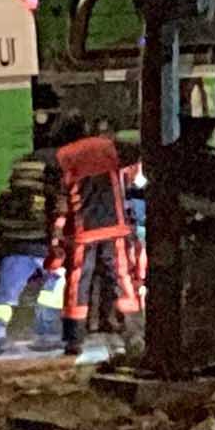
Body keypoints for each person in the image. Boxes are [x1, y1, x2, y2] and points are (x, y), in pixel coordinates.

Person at [0, 120, 82, 355]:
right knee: (55, 286)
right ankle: (46, 333)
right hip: (42, 241)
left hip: (14, 240)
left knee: (6, 294)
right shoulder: (60, 163)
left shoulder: (24, 162)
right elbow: (59, 204)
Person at [45, 127, 144, 356]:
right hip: (114, 227)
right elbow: (130, 179)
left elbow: (61, 202)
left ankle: (74, 339)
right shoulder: (110, 149)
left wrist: (57, 235)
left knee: (78, 283)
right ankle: (133, 333)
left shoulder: (65, 158)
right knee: (121, 279)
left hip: (83, 232)